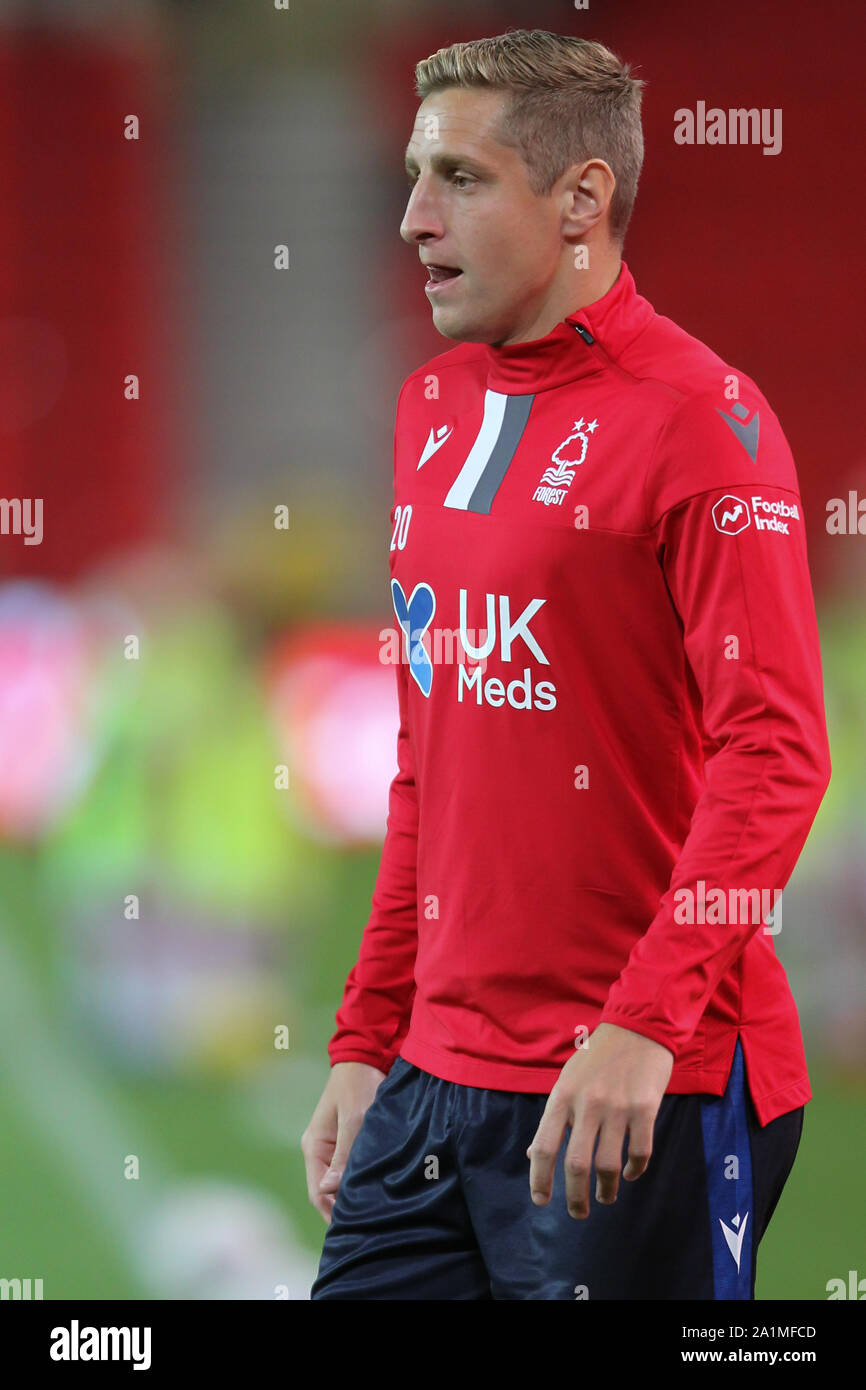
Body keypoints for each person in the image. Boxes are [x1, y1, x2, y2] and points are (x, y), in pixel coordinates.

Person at [302, 28, 831, 1300]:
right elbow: (429, 758)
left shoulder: (702, 423)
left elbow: (776, 753)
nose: (412, 219)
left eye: (461, 180)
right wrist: (368, 1033)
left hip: (635, 1091)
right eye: (412, 174)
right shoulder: (428, 409)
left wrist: (642, 1026)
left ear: (581, 200)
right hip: (432, 1083)